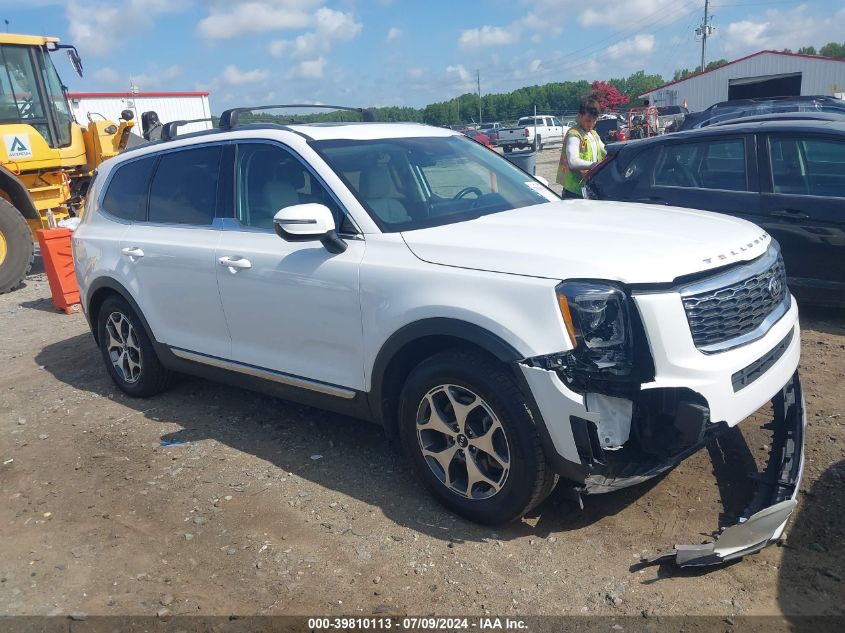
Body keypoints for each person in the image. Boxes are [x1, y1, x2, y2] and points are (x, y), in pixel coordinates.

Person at [556, 95, 607, 199]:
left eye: (594, 121)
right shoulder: (574, 134)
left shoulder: (593, 134)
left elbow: (606, 152)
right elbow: (573, 161)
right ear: (579, 116)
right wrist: (595, 166)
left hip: (588, 189)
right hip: (573, 191)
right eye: (588, 121)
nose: (591, 124)